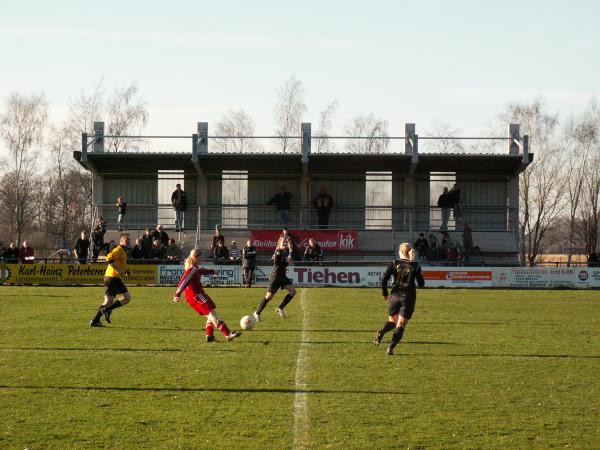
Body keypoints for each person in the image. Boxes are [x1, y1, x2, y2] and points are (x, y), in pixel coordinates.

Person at [173, 249, 240, 342]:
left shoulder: (194, 268)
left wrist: (212, 271)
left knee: (210, 315)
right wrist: (177, 294)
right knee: (213, 314)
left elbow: (201, 271)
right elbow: (182, 282)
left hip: (196, 296)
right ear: (196, 257)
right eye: (200, 257)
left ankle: (210, 336)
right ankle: (227, 334)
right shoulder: (191, 269)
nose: (201, 259)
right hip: (196, 296)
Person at [374, 243, 425, 355]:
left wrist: (384, 293)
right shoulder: (416, 265)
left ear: (401, 252)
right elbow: (421, 284)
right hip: (408, 297)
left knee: (393, 321)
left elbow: (384, 279)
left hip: (394, 296)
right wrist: (420, 275)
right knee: (401, 324)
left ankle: (381, 333)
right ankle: (390, 348)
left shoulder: (394, 263)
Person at [89, 233, 132, 327]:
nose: (129, 242)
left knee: (108, 302)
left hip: (108, 278)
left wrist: (125, 271)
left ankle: (95, 320)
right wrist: (118, 270)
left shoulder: (123, 251)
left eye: (129, 240)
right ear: (121, 241)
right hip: (113, 278)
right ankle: (107, 310)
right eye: (127, 240)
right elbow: (109, 258)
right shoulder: (119, 249)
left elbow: (119, 264)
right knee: (127, 298)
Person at [253, 237, 297, 321]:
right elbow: (277, 263)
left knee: (293, 291)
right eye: (283, 242)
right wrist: (288, 262)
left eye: (285, 242)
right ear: (279, 243)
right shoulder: (278, 252)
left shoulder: (285, 252)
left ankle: (280, 308)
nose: (285, 243)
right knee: (269, 297)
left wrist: (288, 262)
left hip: (283, 277)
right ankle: (257, 313)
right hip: (276, 277)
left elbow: (283, 263)